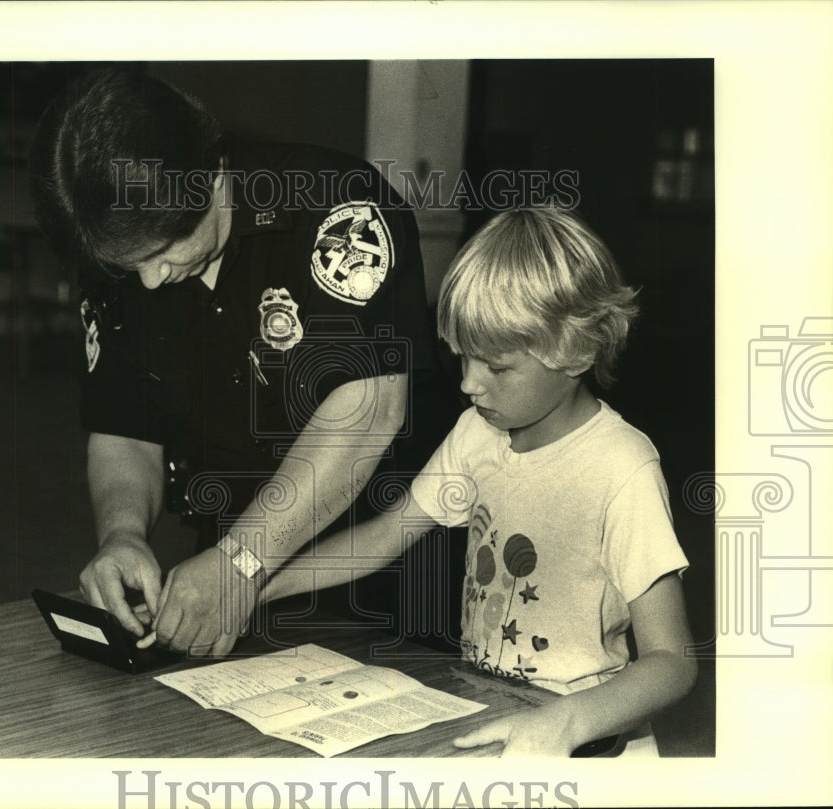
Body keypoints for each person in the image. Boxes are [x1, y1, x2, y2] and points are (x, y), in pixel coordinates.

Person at [27, 65, 456, 658]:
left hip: (385, 570)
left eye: (163, 250)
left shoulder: (339, 207)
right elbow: (124, 422)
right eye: (129, 265)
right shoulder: (123, 247)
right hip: (226, 578)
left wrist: (241, 561)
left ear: (211, 170)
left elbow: (365, 417)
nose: (149, 280)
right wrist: (123, 534)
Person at [259, 207, 698, 756]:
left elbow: (672, 663)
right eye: (462, 357)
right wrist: (258, 585)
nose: (468, 383)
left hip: (589, 745)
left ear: (577, 351)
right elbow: (386, 535)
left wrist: (562, 725)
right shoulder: (477, 434)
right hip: (491, 715)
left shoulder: (621, 466)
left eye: (496, 366)